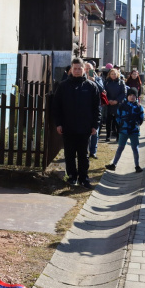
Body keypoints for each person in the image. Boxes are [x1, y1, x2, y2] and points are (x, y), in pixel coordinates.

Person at [53, 57, 101, 189]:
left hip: (84, 127)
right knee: (69, 154)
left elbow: (96, 108)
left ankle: (83, 178)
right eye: (75, 69)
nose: (77, 71)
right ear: (71, 70)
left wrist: (95, 125)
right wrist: (59, 123)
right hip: (68, 127)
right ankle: (72, 177)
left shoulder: (91, 87)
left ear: (84, 69)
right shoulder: (63, 86)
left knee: (83, 155)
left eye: (80, 68)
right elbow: (56, 107)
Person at [105, 88, 145, 173]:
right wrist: (121, 124)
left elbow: (141, 118)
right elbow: (117, 116)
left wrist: (136, 124)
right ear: (127, 96)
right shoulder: (122, 106)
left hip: (134, 131)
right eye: (130, 95)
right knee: (120, 148)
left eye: (134, 95)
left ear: (136, 97)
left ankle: (137, 166)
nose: (132, 97)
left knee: (135, 148)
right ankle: (114, 164)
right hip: (123, 131)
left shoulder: (139, 107)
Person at [85, 61, 104, 159]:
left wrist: (94, 80)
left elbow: (102, 89)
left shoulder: (98, 78)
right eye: (86, 68)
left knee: (95, 131)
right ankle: (86, 150)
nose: (88, 70)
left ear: (93, 69)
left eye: (90, 68)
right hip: (85, 109)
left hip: (95, 108)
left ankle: (93, 151)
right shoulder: (81, 79)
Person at [103, 68, 127, 141]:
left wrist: (117, 100)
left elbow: (124, 93)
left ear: (118, 74)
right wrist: (108, 100)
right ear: (109, 75)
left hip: (118, 104)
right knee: (108, 121)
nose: (113, 75)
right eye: (112, 74)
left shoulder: (121, 82)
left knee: (117, 121)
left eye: (115, 74)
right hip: (109, 104)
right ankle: (108, 136)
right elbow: (104, 92)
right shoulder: (106, 82)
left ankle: (118, 136)